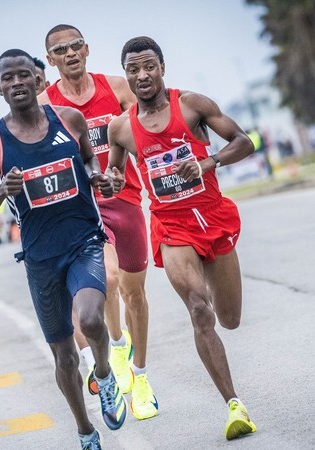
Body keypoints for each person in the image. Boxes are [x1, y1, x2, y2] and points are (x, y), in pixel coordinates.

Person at [0, 49, 126, 450]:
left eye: (24, 75)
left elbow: (89, 162)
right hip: (40, 259)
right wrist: (1, 192)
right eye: (8, 78)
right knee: (65, 357)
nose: (17, 82)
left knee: (91, 319)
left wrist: (98, 178)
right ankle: (85, 431)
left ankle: (105, 376)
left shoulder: (69, 120)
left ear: (38, 81)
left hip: (84, 241)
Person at [107, 36, 256, 440]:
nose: (142, 75)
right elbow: (115, 174)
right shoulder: (121, 128)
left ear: (162, 67)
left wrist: (208, 161)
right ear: (126, 75)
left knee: (230, 318)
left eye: (149, 66)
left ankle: (217, 298)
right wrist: (111, 182)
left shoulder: (191, 105)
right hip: (171, 227)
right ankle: (234, 406)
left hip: (212, 218)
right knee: (199, 309)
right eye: (133, 69)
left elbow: (244, 141)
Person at [38, 24, 158, 420]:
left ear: (87, 49)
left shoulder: (117, 88)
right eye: (61, 50)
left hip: (125, 199)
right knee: (108, 277)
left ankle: (141, 377)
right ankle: (117, 347)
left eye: (76, 45)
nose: (70, 53)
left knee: (134, 293)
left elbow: (147, 132)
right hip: (83, 208)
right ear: (50, 59)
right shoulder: (45, 104)